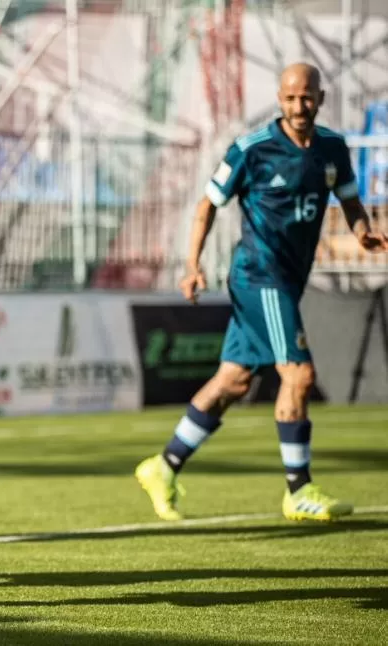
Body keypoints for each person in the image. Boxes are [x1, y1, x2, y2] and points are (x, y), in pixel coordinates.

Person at [135, 62, 388, 522]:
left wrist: (364, 230)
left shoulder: (333, 148)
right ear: (279, 98)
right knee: (299, 376)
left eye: (306, 97)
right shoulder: (251, 150)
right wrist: (192, 266)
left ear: (321, 98)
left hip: (288, 278)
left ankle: (163, 465)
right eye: (290, 98)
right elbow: (206, 206)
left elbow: (350, 201)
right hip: (258, 275)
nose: (299, 107)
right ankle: (299, 489)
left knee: (233, 380)